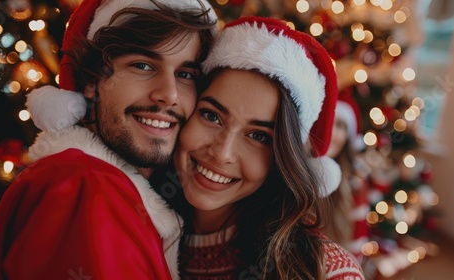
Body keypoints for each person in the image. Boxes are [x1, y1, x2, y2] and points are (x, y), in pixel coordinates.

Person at [0, 0, 217, 279]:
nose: (169, 94)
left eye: (185, 74)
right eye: (143, 66)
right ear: (90, 81)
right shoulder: (82, 188)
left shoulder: (102, 186)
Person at [151, 16, 365, 279]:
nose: (222, 153)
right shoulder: (132, 228)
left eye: (259, 136)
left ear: (282, 158)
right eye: (211, 116)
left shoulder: (326, 271)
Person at [324, 91, 370, 264]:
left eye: (340, 125)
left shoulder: (355, 182)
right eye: (327, 121)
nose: (330, 133)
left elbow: (356, 245)